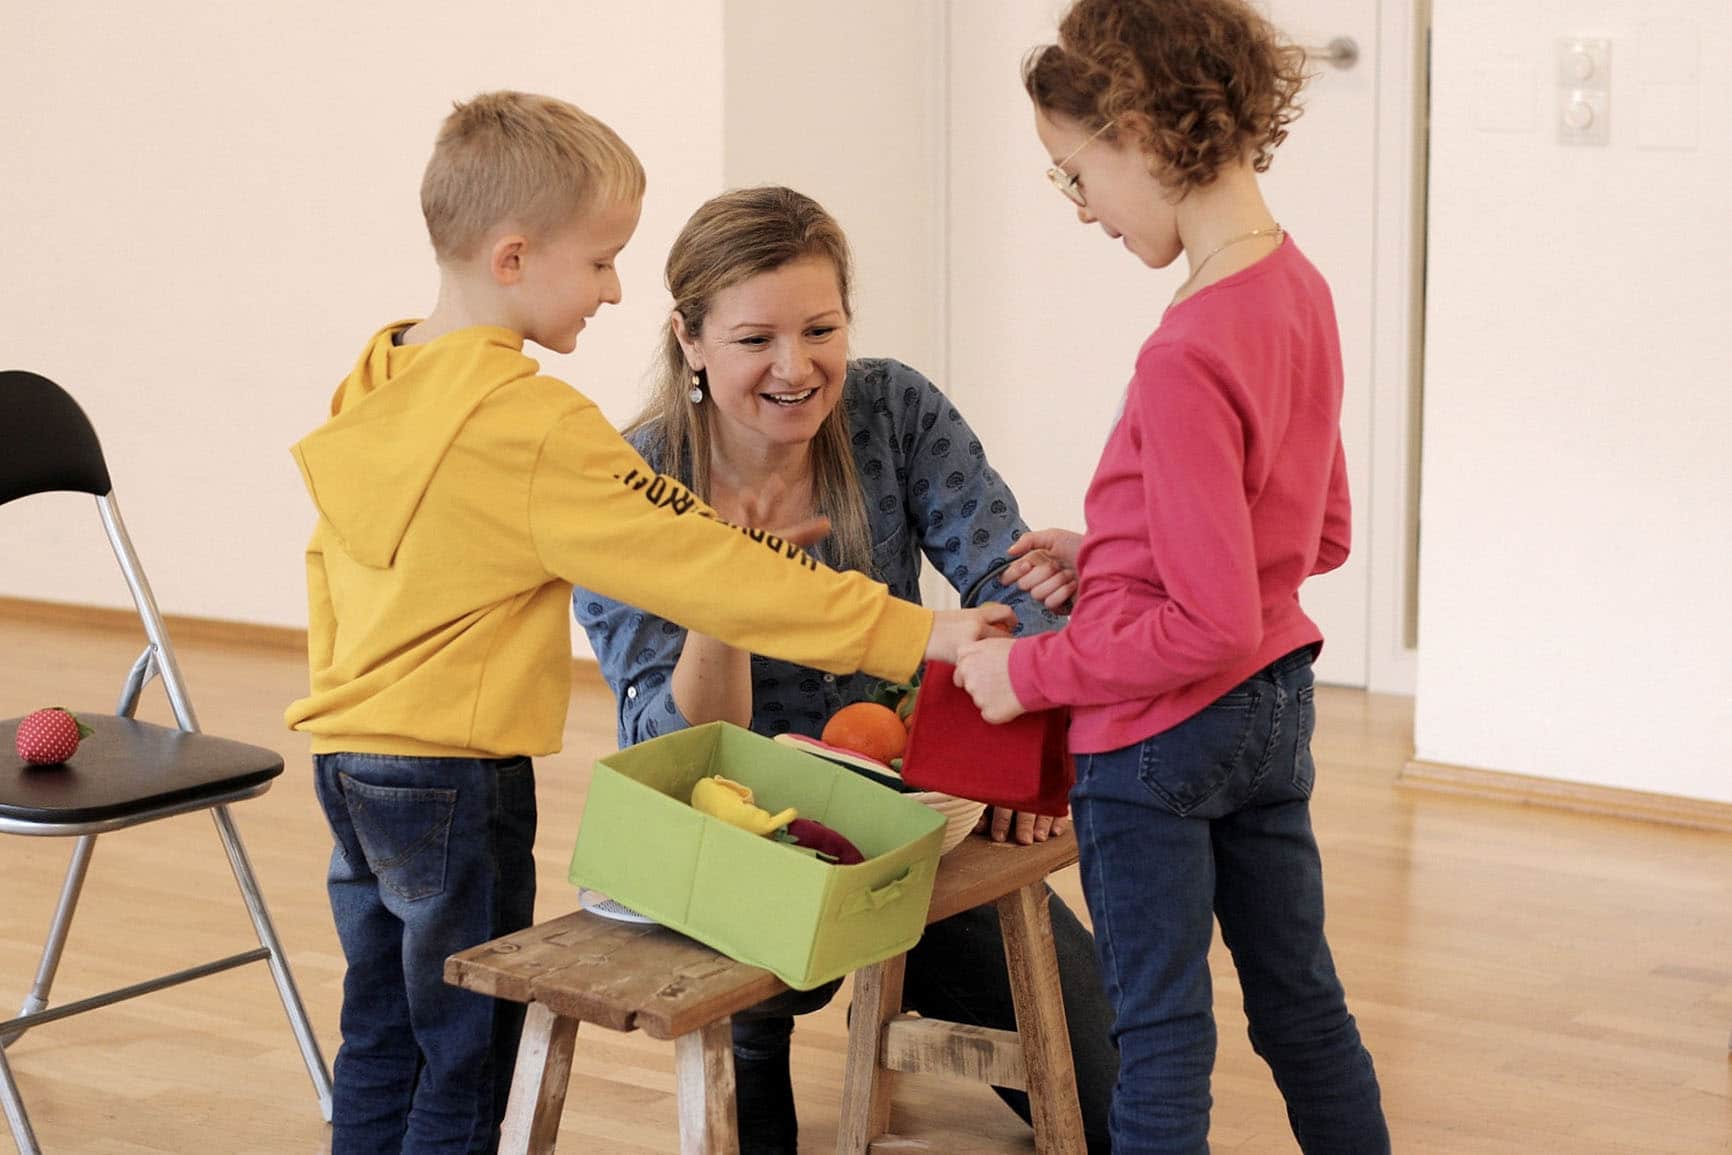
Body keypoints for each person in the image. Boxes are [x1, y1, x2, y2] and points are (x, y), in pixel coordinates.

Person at [283, 94, 1011, 1155]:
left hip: (353, 759)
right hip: (456, 774)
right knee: (470, 1046)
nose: (617, 287)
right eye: (601, 261)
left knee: (384, 1023)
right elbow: (714, 568)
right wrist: (920, 636)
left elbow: (330, 566)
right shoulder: (536, 427)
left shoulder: (381, 375)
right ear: (516, 256)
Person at [574, 185, 1119, 1155]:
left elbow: (1012, 579)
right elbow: (678, 748)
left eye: (821, 329)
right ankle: (758, 1049)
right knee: (756, 1029)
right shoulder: (628, 487)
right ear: (690, 341)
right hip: (729, 842)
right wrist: (725, 602)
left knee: (1117, 1101)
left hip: (898, 815)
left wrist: (1021, 750)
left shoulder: (893, 409)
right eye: (755, 340)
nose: (796, 367)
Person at [951, 3, 1392, 1151]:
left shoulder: (1185, 348)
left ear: (1140, 130)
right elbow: (1316, 533)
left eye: (1076, 172)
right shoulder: (1295, 289)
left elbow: (1200, 621)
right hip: (1271, 715)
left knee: (1158, 1040)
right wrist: (1119, 546)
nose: (1083, 207)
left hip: (1153, 746)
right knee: (1302, 1007)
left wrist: (1026, 672)